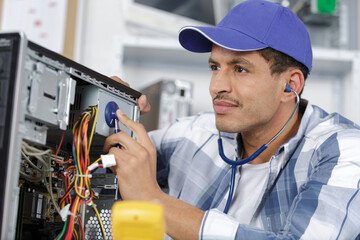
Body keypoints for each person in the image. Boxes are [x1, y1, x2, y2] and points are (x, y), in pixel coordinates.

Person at [104, 0, 360, 239]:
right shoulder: (190, 135)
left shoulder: (344, 151)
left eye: (240, 69)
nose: (217, 86)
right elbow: (100, 160)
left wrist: (153, 201)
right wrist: (110, 113)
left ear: (289, 85)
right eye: (215, 67)